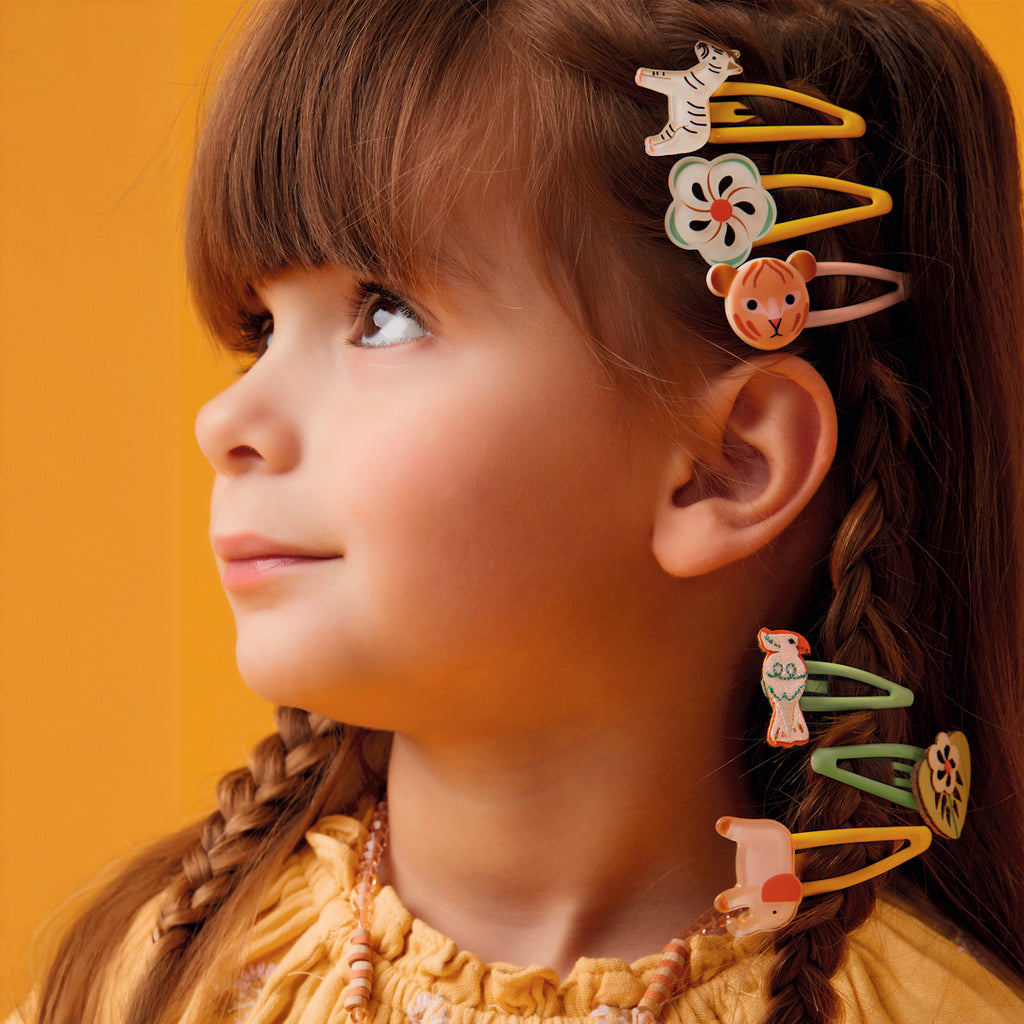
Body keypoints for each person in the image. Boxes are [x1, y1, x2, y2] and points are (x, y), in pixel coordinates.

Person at [13, 0, 1024, 1022]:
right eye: (260, 325)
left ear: (725, 465)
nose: (227, 418)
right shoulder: (137, 983)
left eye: (385, 314)